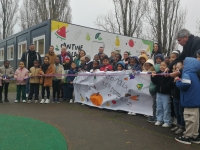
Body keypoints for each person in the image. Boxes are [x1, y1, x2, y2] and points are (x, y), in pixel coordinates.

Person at [175, 57, 200, 144]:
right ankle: (194, 136)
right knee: (195, 120)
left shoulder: (187, 74)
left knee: (189, 119)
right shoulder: (194, 75)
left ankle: (187, 137)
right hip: (195, 102)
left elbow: (185, 84)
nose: (183, 66)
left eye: (185, 64)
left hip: (189, 101)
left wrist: (178, 81)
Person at [151, 61, 172, 127]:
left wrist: (166, 88)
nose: (162, 67)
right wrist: (153, 76)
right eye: (161, 65)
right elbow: (154, 82)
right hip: (158, 93)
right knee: (159, 107)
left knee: (166, 108)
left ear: (167, 67)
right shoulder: (158, 73)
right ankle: (159, 119)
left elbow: (170, 83)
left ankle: (167, 121)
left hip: (166, 93)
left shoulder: (169, 74)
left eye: (164, 65)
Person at [170, 61, 185, 134]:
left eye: (179, 68)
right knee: (177, 112)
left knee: (181, 112)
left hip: (180, 97)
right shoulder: (174, 76)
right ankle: (178, 124)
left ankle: (182, 126)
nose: (177, 69)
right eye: (176, 68)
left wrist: (178, 81)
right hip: (175, 96)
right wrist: (173, 80)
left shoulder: (183, 76)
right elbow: (172, 87)